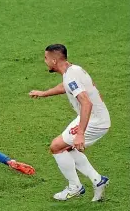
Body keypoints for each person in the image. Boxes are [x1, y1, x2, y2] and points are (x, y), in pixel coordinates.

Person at [29, 44, 110, 201]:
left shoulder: (71, 75)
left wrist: (80, 134)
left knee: (56, 147)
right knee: (66, 147)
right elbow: (66, 86)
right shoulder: (73, 70)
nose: (45, 61)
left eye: (46, 58)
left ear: (54, 60)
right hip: (91, 117)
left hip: (95, 121)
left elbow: (86, 103)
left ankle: (75, 187)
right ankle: (97, 180)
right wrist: (44, 93)